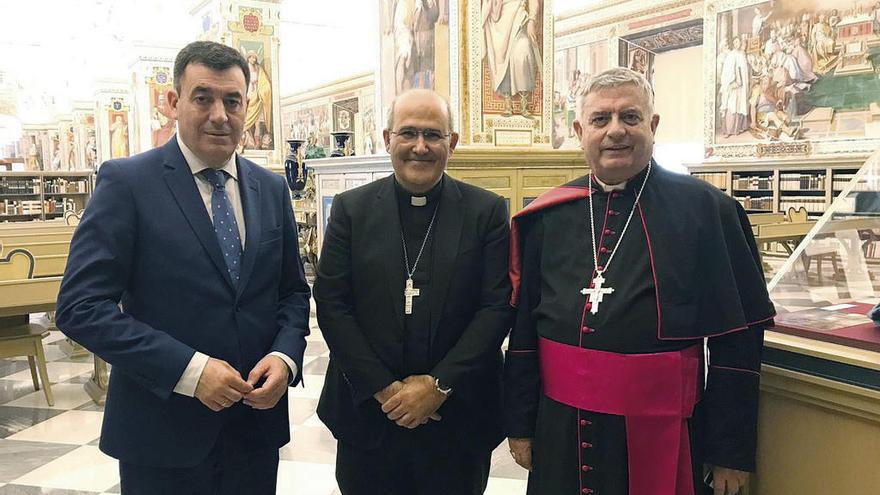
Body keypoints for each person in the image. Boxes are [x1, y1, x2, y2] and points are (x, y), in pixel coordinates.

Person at [55, 40, 311, 495]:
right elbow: (80, 307)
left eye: (232, 101)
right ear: (174, 103)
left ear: (246, 107)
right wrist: (189, 371)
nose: (220, 114)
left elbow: (292, 291)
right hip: (162, 435)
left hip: (254, 432)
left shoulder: (271, 190)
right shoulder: (127, 183)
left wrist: (285, 358)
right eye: (203, 97)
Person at [504, 68, 775, 495]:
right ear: (579, 131)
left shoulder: (708, 212)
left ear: (653, 125)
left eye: (630, 117)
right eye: (600, 119)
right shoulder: (548, 215)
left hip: (664, 426)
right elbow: (523, 332)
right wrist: (520, 425)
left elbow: (737, 343)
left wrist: (729, 451)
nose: (616, 131)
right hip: (559, 428)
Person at [314, 88, 512, 495]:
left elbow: (495, 308)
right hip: (368, 415)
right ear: (387, 139)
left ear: (451, 143)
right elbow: (332, 304)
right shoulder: (352, 210)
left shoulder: (486, 212)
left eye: (433, 135)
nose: (420, 147)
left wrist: (437, 386)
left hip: (457, 418)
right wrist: (386, 391)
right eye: (408, 134)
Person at [482, 0, 542, 117]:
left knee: (523, 52)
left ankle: (523, 104)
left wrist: (531, 20)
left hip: (519, 20)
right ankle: (507, 103)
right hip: (498, 25)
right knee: (504, 63)